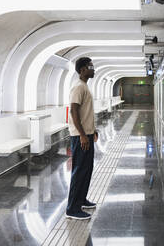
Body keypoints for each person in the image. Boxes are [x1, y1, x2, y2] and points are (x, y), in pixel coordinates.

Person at [66, 57, 99, 220]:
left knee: (86, 170)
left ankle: (81, 200)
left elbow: (85, 113)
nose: (93, 69)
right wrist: (82, 135)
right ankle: (72, 209)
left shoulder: (85, 86)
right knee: (79, 171)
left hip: (87, 134)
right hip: (81, 137)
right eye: (90, 66)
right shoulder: (78, 87)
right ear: (82, 70)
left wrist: (93, 130)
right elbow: (73, 112)